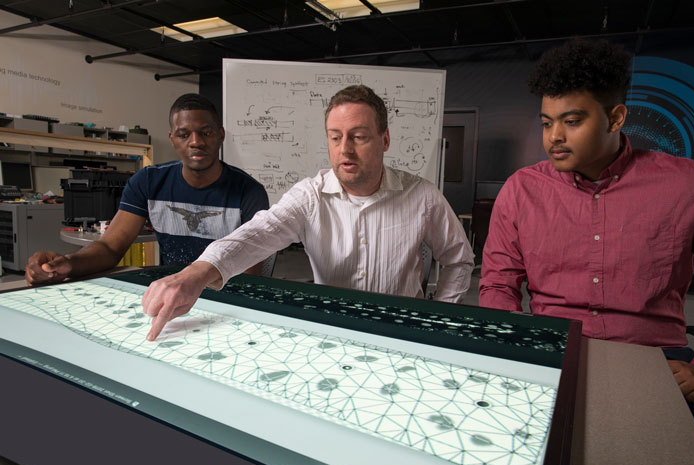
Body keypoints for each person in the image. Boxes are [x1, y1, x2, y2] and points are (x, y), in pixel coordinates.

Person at [478, 38, 694, 464]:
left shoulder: (693, 185)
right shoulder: (521, 190)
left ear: (616, 117)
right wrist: (513, 349)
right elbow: (498, 282)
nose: (554, 137)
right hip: (550, 355)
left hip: (658, 363)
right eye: (547, 122)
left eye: (572, 121)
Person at [142, 84, 474, 340]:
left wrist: (438, 314)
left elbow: (458, 258)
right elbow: (258, 233)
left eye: (359, 137)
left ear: (384, 139)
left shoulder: (422, 197)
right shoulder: (310, 197)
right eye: (335, 137)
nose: (345, 149)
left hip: (402, 331)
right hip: (330, 329)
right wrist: (198, 272)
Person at [25, 93, 269, 285]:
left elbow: (248, 271)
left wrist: (192, 285)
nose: (196, 142)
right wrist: (69, 263)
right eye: (184, 135)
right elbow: (110, 247)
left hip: (223, 294)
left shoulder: (249, 193)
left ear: (220, 135)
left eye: (205, 132)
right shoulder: (148, 182)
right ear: (172, 139)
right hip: (168, 291)